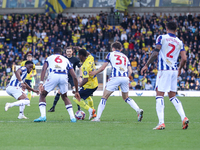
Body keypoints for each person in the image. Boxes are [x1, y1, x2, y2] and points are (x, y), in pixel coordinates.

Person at [141, 21, 189, 130]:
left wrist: (146, 65)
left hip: (164, 70)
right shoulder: (179, 42)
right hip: (174, 71)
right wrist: (180, 68)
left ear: (166, 28)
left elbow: (155, 52)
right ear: (176, 30)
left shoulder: (161, 37)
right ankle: (184, 117)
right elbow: (184, 58)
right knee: (172, 96)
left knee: (159, 95)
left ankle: (161, 122)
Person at [90, 41, 143, 122]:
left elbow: (103, 67)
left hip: (115, 77)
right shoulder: (125, 56)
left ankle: (97, 118)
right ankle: (138, 110)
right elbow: (130, 71)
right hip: (125, 77)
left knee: (104, 97)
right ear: (121, 48)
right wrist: (125, 77)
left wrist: (95, 72)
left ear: (113, 48)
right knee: (126, 97)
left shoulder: (110, 54)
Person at [34, 47, 81, 122]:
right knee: (65, 97)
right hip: (64, 76)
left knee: (42, 95)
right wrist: (77, 91)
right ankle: (72, 118)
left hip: (53, 75)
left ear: (53, 53)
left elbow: (44, 69)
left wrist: (41, 82)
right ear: (61, 53)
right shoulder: (66, 59)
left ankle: (43, 116)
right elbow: (74, 76)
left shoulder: (49, 58)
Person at [48, 47, 82, 112]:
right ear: (65, 52)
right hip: (64, 76)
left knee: (75, 91)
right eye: (67, 51)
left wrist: (81, 76)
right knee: (59, 91)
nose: (68, 53)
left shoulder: (75, 59)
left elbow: (80, 67)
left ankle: (79, 109)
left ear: (72, 52)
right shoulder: (63, 59)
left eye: (70, 51)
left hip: (72, 78)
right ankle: (53, 107)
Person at [72, 49, 98, 120]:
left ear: (81, 56)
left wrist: (78, 87)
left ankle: (91, 110)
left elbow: (85, 79)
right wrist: (80, 49)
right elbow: (88, 53)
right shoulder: (90, 58)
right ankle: (93, 114)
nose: (78, 57)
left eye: (78, 55)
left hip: (89, 85)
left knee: (75, 98)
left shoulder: (84, 66)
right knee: (87, 97)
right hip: (95, 83)